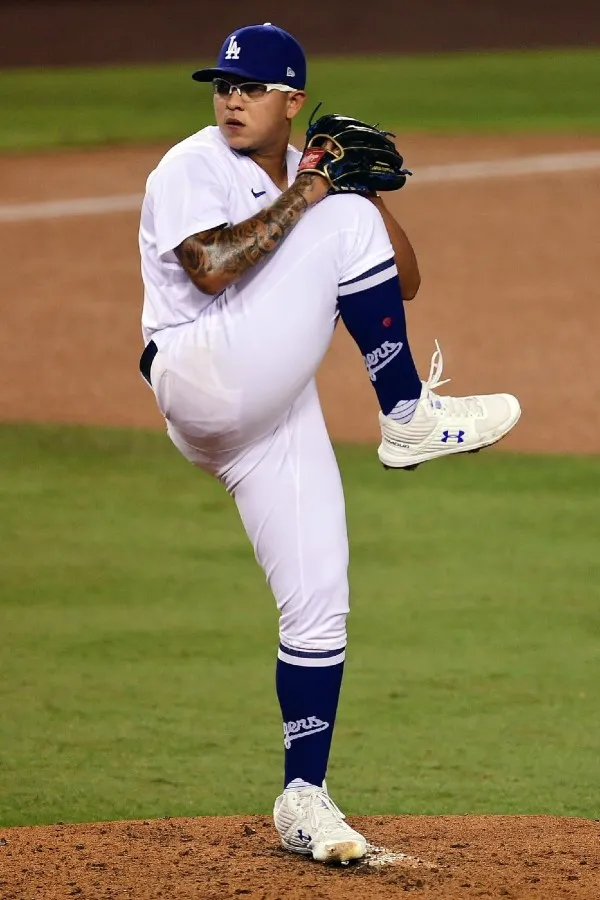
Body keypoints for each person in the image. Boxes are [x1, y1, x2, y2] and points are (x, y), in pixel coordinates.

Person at [138, 23, 520, 864]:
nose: (231, 98)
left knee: (319, 601)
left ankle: (303, 797)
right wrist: (319, 193)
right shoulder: (193, 164)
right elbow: (209, 265)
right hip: (202, 375)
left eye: (251, 86)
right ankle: (408, 414)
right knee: (340, 221)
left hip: (265, 404)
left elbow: (403, 279)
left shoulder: (318, 190)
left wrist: (362, 190)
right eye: (222, 85)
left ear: (293, 101)